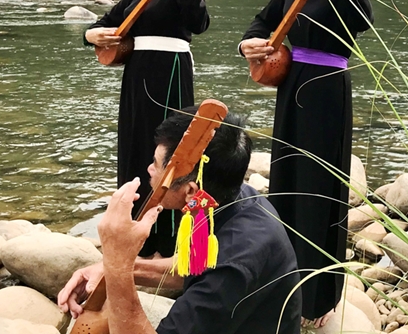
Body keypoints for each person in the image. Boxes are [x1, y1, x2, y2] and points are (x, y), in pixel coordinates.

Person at [239, 0, 374, 328]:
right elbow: (263, 22)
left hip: (326, 91)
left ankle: (317, 297)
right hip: (291, 87)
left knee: (318, 186)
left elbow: (361, 22)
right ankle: (283, 278)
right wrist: (249, 43)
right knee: (287, 179)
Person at [58, 108, 302, 334]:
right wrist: (112, 270)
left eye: (155, 163)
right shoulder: (228, 198)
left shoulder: (233, 266)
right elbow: (193, 267)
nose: (149, 169)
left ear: (189, 190)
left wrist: (117, 262)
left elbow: (216, 273)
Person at [84, 0, 210, 257]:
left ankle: (165, 242)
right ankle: (134, 233)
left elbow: (199, 22)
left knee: (166, 149)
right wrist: (89, 34)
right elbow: (108, 22)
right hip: (137, 73)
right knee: (135, 145)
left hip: (169, 70)